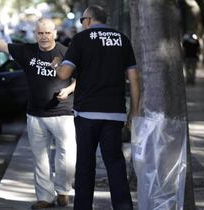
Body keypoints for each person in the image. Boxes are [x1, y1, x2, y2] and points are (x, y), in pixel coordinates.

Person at [0, 18, 77, 209]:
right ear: (35, 34)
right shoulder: (27, 50)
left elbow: (80, 78)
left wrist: (69, 90)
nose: (44, 37)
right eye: (40, 33)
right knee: (40, 158)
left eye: (47, 33)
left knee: (68, 156)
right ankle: (45, 198)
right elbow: (0, 45)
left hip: (64, 114)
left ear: (54, 33)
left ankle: (63, 190)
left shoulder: (66, 52)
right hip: (35, 114)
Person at [56, 5, 140, 210]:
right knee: (115, 163)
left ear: (88, 20)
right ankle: (123, 207)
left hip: (86, 114)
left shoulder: (81, 40)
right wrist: (134, 111)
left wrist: (56, 64)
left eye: (82, 20)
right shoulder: (122, 39)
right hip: (115, 114)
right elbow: (135, 79)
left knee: (85, 164)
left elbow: (64, 75)